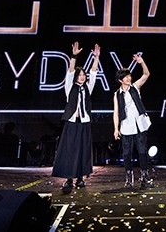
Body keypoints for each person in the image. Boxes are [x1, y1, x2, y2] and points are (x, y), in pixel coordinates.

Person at [52, 42, 101, 192]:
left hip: (84, 123)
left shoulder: (88, 87)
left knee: (82, 150)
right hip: (72, 122)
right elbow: (70, 71)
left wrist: (96, 57)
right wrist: (74, 56)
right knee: (69, 150)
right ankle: (68, 178)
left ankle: (80, 177)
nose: (82, 77)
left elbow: (94, 72)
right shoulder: (70, 87)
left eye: (83, 75)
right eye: (80, 75)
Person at [113, 53, 152, 189]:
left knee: (142, 151)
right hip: (126, 126)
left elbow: (146, 74)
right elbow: (116, 112)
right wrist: (116, 128)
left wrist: (141, 62)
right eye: (126, 77)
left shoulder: (135, 87)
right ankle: (129, 178)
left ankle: (144, 176)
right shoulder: (117, 94)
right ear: (120, 80)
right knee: (126, 154)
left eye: (129, 76)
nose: (129, 78)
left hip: (140, 124)